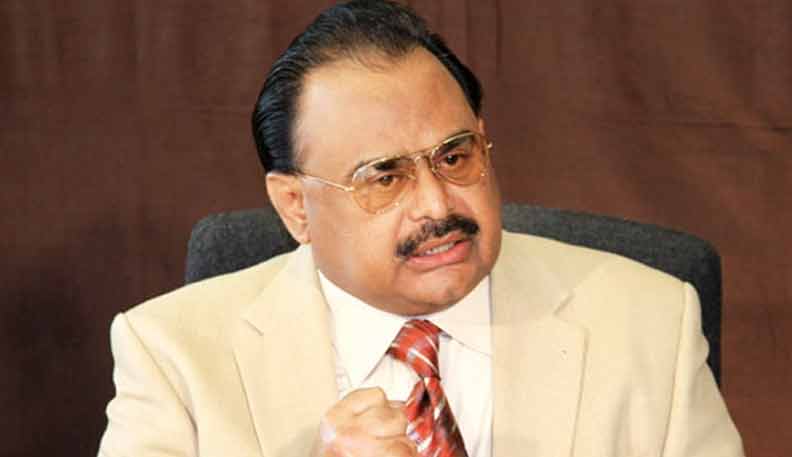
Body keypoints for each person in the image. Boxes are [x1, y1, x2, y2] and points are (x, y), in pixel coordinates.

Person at [97, 1, 745, 456]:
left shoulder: (651, 322)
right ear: (296, 206)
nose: (437, 205)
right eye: (384, 177)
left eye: (455, 156)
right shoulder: (173, 355)